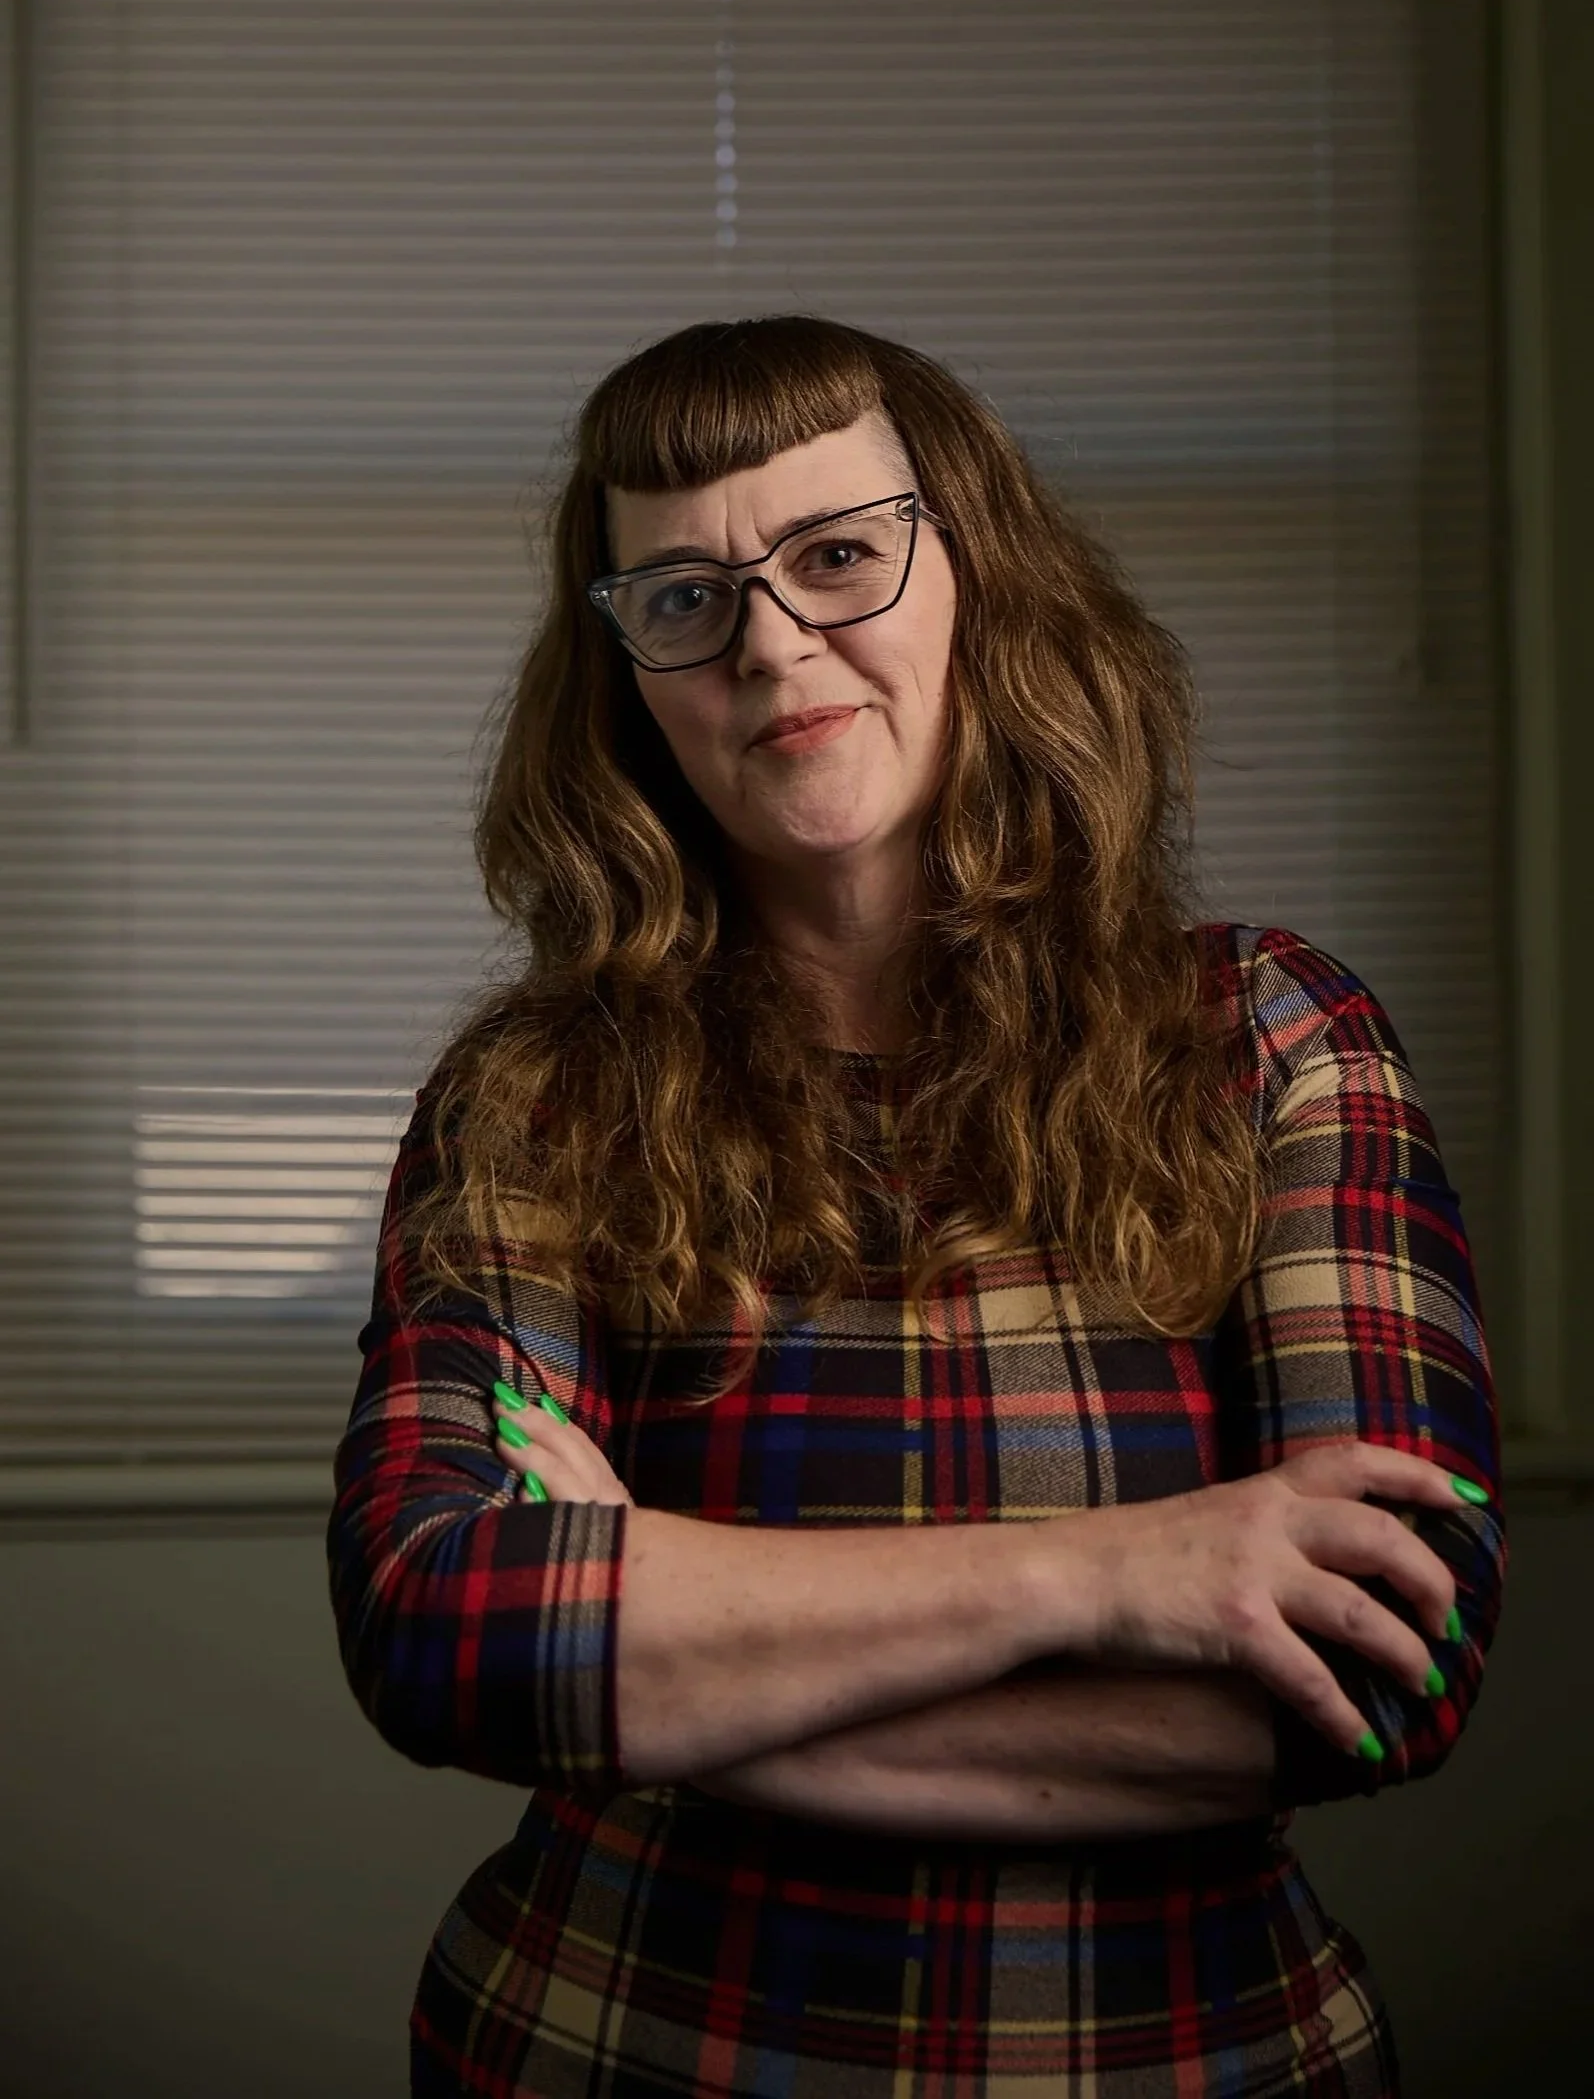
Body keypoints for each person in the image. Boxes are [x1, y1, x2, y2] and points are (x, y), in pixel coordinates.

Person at [327, 314, 1505, 2097]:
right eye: (679, 599)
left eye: (839, 555)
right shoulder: (538, 1096)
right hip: (605, 2045)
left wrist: (675, 1660)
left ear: (975, 569)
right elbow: (445, 1625)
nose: (770, 643)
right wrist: (1134, 1569)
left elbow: (1383, 1668)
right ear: (629, 673)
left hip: (1186, 2058)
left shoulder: (1271, 1037)